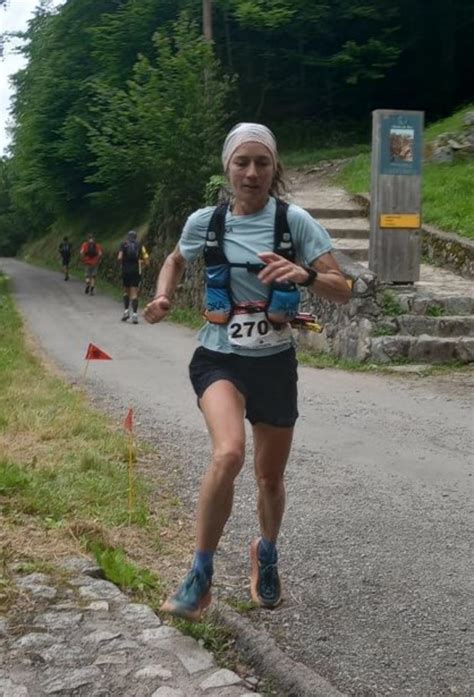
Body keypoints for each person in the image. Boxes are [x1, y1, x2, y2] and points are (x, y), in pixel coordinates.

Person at [144, 122, 351, 621]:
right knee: (229, 453)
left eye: (262, 162)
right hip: (218, 357)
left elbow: (342, 287)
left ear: (274, 168)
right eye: (243, 162)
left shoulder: (295, 222)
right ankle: (200, 573)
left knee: (269, 477)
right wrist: (162, 294)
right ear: (227, 168)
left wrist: (304, 274)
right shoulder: (205, 222)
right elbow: (174, 259)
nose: (252, 172)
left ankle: (267, 552)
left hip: (274, 364)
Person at [117, 230, 149, 324]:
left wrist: (123, 263)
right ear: (136, 237)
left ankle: (126, 311)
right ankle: (135, 315)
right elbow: (147, 261)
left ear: (128, 237)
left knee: (126, 291)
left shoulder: (123, 244)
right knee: (134, 293)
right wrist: (141, 263)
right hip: (136, 271)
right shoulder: (140, 246)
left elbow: (119, 257)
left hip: (125, 271)